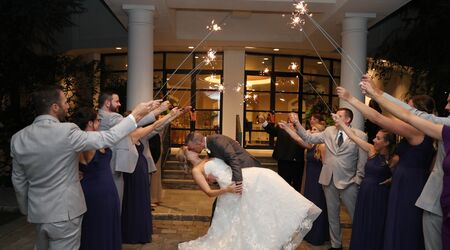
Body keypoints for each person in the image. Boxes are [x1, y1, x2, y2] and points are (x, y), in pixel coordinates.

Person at [10, 85, 155, 249]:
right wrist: (136, 114)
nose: (67, 106)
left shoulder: (18, 138)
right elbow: (108, 137)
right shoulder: (67, 131)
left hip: (38, 213)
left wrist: (26, 209)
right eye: (65, 102)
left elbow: (18, 181)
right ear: (54, 107)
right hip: (66, 213)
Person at [337, 85, 435, 250]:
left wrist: (350, 98)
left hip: (410, 187)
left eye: (409, 108)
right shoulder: (421, 132)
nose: (404, 112)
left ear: (420, 112)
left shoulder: (416, 131)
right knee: (397, 225)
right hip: (404, 183)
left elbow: (378, 118)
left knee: (404, 226)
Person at [359, 74, 449, 249]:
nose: (446, 106)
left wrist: (375, 94)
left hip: (421, 190)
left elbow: (391, 117)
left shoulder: (421, 131)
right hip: (421, 188)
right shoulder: (436, 131)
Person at [177, 148, 321, 250]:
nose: (192, 149)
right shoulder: (196, 171)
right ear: (186, 156)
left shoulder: (207, 159)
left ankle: (294, 211)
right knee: (240, 221)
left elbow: (222, 172)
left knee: (265, 187)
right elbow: (208, 193)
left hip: (239, 178)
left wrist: (216, 181)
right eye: (188, 150)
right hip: (232, 189)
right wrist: (226, 189)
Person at [292, 107, 367, 250]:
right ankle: (336, 245)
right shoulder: (329, 131)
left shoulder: (360, 135)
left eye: (339, 116)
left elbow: (362, 161)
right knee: (332, 215)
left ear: (347, 119)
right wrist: (297, 123)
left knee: (355, 216)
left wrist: (358, 179)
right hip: (328, 179)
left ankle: (359, 244)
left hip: (349, 182)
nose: (334, 117)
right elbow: (309, 138)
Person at [121, 107, 190, 244]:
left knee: (142, 201)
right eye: (138, 119)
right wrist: (169, 113)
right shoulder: (128, 134)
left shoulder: (140, 133)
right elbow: (155, 125)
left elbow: (158, 127)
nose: (140, 121)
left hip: (141, 170)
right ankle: (133, 233)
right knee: (134, 202)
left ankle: (141, 231)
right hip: (133, 172)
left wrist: (174, 115)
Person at [332, 113, 395, 250]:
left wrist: (392, 179)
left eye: (378, 138)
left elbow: (401, 175)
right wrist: (341, 123)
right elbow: (353, 137)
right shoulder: (372, 150)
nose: (373, 140)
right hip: (365, 192)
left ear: (387, 142)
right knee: (363, 222)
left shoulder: (394, 159)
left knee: (376, 223)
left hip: (380, 195)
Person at [98, 91, 165, 206]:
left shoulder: (99, 116)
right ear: (107, 103)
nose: (119, 104)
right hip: (112, 164)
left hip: (103, 163)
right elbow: (133, 122)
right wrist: (158, 111)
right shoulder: (110, 117)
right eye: (117, 101)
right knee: (116, 203)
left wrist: (150, 109)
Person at [72, 107, 122, 250]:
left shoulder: (76, 141)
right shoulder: (92, 141)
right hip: (102, 191)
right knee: (103, 227)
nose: (99, 123)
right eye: (98, 120)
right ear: (90, 123)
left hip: (87, 188)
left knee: (92, 227)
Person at [280, 119, 330, 246]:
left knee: (318, 206)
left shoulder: (323, 146)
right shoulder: (311, 146)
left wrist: (325, 185)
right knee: (309, 206)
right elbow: (298, 139)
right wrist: (286, 128)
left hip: (318, 182)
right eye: (311, 130)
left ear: (321, 133)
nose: (311, 132)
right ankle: (309, 233)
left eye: (315, 130)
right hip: (310, 179)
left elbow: (326, 166)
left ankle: (318, 235)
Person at [257, 112, 305, 191]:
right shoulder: (281, 127)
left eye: (293, 117)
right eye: (290, 117)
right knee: (283, 183)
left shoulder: (302, 130)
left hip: (298, 162)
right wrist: (263, 122)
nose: (291, 119)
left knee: (297, 184)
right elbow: (272, 131)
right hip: (284, 160)